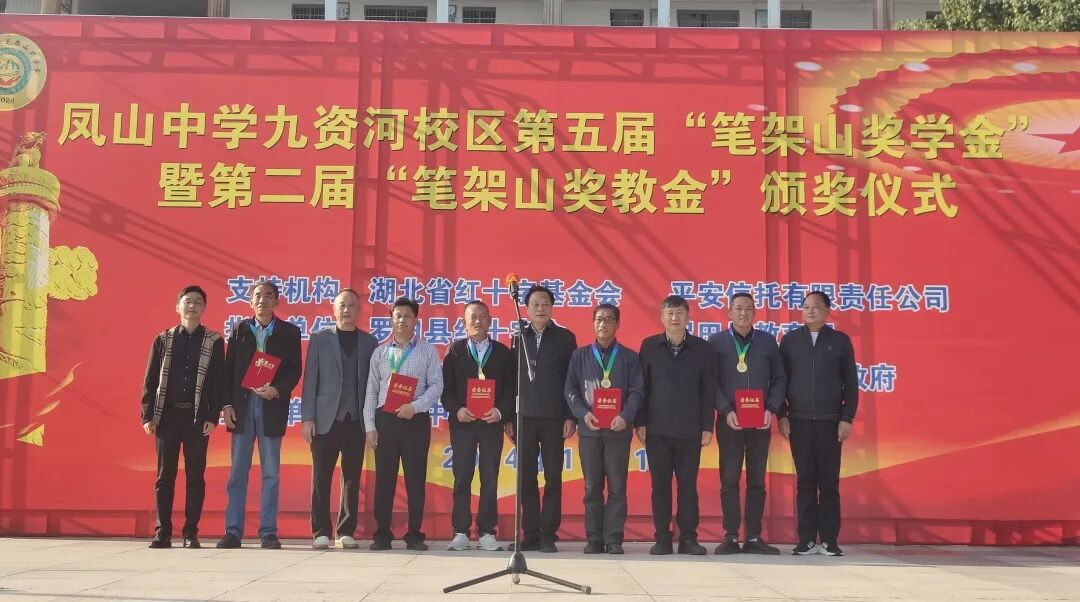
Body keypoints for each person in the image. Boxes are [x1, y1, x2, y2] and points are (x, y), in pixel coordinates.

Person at [217, 280, 303, 550]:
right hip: (242, 407)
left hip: (271, 406)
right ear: (250, 301)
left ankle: (268, 532)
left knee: (271, 474)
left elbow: (294, 370)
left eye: (268, 295)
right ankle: (233, 531)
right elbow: (228, 370)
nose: (262, 300)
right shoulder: (240, 329)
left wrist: (277, 389)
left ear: (277, 301)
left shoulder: (289, 332)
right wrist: (226, 405)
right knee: (237, 473)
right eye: (258, 296)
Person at [140, 285, 225, 549]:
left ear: (204, 308)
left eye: (198, 302)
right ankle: (162, 532)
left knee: (195, 477)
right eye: (188, 301)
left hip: (197, 418)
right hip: (166, 417)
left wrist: (213, 415)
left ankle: (191, 533)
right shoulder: (163, 339)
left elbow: (218, 382)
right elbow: (150, 379)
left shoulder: (213, 341)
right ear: (178, 307)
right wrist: (147, 415)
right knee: (164, 476)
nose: (192, 306)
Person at [778, 291, 859, 557]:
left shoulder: (840, 341)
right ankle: (806, 540)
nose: (810, 311)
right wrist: (782, 415)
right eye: (806, 307)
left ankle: (829, 541)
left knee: (829, 483)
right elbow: (779, 381)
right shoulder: (790, 340)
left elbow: (851, 383)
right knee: (805, 482)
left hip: (830, 422)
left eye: (816, 307)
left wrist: (846, 418)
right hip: (799, 421)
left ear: (827, 311)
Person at [636, 294, 715, 556]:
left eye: (679, 313)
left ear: (688, 317)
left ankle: (688, 538)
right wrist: (640, 422)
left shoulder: (702, 348)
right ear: (662, 317)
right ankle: (662, 538)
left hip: (690, 429)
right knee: (660, 487)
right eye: (669, 313)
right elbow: (642, 388)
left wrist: (707, 425)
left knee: (688, 487)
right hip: (656, 429)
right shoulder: (649, 346)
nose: (674, 318)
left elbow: (707, 390)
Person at [707, 293, 786, 555]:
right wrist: (725, 409)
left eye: (748, 309)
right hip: (730, 421)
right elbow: (711, 381)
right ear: (729, 313)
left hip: (760, 421)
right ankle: (730, 536)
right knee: (729, 479)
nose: (743, 313)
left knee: (756, 480)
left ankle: (753, 536)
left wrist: (770, 409)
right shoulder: (716, 342)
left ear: (755, 313)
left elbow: (779, 379)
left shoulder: (767, 342)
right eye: (738, 308)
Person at [300, 289, 378, 550]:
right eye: (342, 305)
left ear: (359, 310)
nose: (347, 310)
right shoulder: (320, 338)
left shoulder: (369, 342)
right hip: (325, 419)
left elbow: (373, 384)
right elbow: (310, 380)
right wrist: (308, 418)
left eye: (352, 305)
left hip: (356, 420)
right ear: (334, 310)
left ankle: (345, 531)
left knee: (352, 478)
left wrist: (372, 422)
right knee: (320, 478)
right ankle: (320, 531)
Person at [364, 297, 443, 551]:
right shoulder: (380, 352)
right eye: (397, 316)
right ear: (391, 319)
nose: (402, 320)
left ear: (416, 320)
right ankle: (382, 534)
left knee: (415, 479)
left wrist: (415, 407)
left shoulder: (427, 351)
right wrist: (370, 427)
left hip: (415, 420)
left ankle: (415, 534)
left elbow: (436, 386)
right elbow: (371, 391)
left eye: (407, 316)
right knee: (384, 480)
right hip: (385, 420)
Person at [564, 303, 643, 555]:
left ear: (617, 324)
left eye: (609, 319)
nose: (603, 324)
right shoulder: (579, 356)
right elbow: (570, 389)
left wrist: (625, 416)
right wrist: (583, 413)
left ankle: (614, 539)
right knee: (592, 486)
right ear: (592, 324)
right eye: (599, 319)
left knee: (617, 486)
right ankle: (594, 537)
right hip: (590, 430)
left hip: (618, 431)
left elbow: (637, 391)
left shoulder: (630, 357)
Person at [507, 285, 577, 553]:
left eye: (545, 304)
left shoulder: (565, 338)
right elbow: (511, 380)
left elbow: (571, 380)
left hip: (554, 418)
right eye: (535, 304)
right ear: (526, 309)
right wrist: (509, 417)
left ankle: (548, 533)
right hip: (524, 417)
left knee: (553, 477)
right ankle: (530, 533)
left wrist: (570, 416)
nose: (540, 309)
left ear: (552, 307)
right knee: (526, 478)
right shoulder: (518, 337)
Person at [441, 301, 514, 552]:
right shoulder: (454, 350)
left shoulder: (503, 352)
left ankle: (486, 532)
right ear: (464, 322)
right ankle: (460, 532)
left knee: (490, 478)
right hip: (463, 423)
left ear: (490, 320)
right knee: (462, 477)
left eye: (482, 316)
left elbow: (510, 389)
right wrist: (457, 410)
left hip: (491, 423)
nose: (477, 321)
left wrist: (501, 411)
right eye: (472, 316)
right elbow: (446, 389)